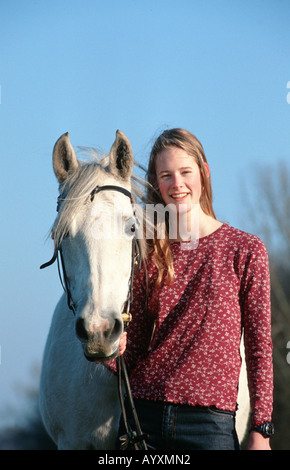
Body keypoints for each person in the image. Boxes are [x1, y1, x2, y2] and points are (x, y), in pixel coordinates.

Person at [114, 128, 273, 450]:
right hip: (143, 417)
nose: (177, 184)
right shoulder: (149, 252)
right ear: (157, 183)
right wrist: (108, 347)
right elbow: (136, 346)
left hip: (209, 424)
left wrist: (261, 429)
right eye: (166, 175)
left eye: (186, 172)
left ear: (204, 172)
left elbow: (259, 348)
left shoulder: (245, 250)